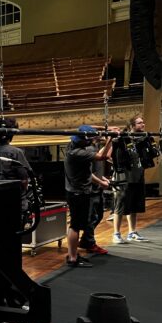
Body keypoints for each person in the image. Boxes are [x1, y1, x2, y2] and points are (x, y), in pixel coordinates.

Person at [64, 126, 114, 267]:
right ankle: (73, 258)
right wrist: (111, 138)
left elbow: (87, 174)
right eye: (91, 140)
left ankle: (72, 254)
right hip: (78, 193)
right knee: (75, 225)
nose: (93, 141)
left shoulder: (73, 145)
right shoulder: (77, 153)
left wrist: (104, 129)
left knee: (78, 224)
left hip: (77, 191)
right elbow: (104, 156)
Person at [111, 114, 150, 243]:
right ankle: (116, 233)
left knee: (134, 206)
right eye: (139, 123)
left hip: (137, 176)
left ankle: (131, 232)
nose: (142, 125)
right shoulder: (122, 138)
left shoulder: (141, 139)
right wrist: (118, 165)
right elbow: (107, 154)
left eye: (143, 122)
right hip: (124, 178)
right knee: (120, 206)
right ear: (132, 125)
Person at [78, 131, 111, 255]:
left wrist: (102, 179)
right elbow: (87, 173)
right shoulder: (88, 150)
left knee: (99, 216)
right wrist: (101, 182)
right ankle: (90, 243)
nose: (100, 134)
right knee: (91, 218)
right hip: (90, 190)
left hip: (97, 188)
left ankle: (86, 240)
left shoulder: (95, 148)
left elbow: (101, 162)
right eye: (97, 133)